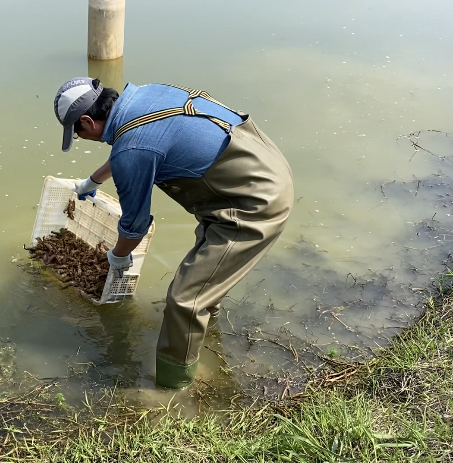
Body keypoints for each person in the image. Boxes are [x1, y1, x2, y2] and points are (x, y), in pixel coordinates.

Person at [53, 77, 294, 389]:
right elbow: (142, 139)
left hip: (254, 204)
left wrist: (117, 256)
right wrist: (95, 179)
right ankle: (204, 337)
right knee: (205, 276)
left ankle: (172, 388)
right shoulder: (144, 97)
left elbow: (135, 224)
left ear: (87, 121)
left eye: (78, 133)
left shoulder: (131, 149)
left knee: (185, 300)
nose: (82, 138)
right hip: (261, 167)